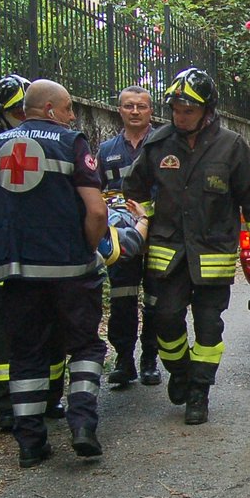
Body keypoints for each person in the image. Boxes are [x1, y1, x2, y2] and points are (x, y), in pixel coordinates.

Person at [0, 80, 109, 468]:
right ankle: (82, 424)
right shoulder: (71, 142)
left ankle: (29, 443)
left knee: (25, 354)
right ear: (50, 109)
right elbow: (95, 211)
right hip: (69, 268)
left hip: (17, 272)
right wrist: (88, 249)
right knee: (85, 346)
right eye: (69, 107)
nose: (73, 115)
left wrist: (4, 246)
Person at [124, 67, 250, 425]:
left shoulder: (232, 147)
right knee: (165, 320)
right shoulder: (158, 145)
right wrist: (144, 218)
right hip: (168, 254)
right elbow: (134, 191)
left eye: (188, 110)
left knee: (209, 329)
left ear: (207, 111)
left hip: (212, 257)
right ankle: (180, 370)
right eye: (176, 109)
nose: (180, 116)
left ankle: (199, 392)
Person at [0, 74, 65, 433]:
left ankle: (49, 397)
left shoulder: (51, 146)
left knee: (48, 325)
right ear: (3, 114)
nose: (24, 119)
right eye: (16, 112)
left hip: (35, 257)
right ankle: (7, 407)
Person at [96, 85, 160, 388]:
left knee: (156, 298)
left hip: (160, 232)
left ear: (151, 111)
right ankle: (124, 360)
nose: (135, 112)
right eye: (129, 106)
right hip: (122, 236)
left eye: (141, 106)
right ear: (119, 110)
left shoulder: (163, 144)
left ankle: (150, 359)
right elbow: (95, 192)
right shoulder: (106, 151)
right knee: (123, 297)